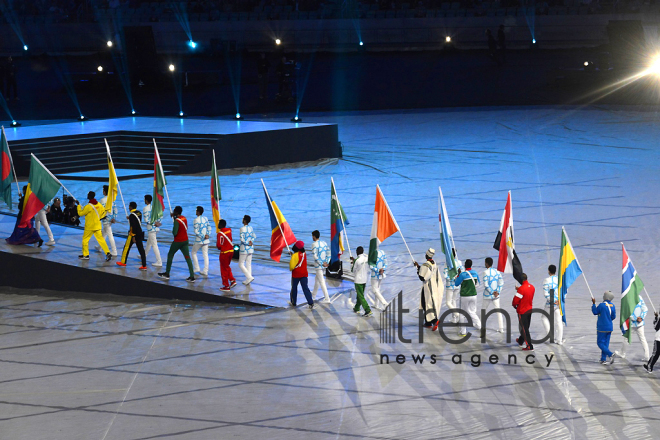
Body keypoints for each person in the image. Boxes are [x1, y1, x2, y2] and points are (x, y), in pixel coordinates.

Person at [158, 206, 195, 282]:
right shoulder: (184, 218)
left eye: (174, 211)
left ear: (177, 212)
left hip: (178, 241)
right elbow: (184, 226)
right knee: (187, 258)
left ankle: (167, 273)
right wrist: (174, 218)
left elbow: (174, 233)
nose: (173, 212)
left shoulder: (176, 221)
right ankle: (192, 276)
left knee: (170, 254)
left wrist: (174, 223)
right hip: (185, 240)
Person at [414, 248, 444, 330]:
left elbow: (422, 277)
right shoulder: (433, 263)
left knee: (425, 303)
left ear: (427, 255)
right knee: (429, 303)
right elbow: (427, 271)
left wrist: (418, 271)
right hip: (434, 286)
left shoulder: (426, 264)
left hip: (428, 287)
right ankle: (428, 322)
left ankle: (434, 321)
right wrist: (418, 267)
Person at [77, 191, 111, 261]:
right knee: (101, 240)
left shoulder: (88, 206)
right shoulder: (98, 204)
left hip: (89, 227)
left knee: (85, 240)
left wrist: (78, 206)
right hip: (97, 226)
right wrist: (99, 218)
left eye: (88, 194)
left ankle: (86, 255)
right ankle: (108, 253)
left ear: (89, 196)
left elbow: (80, 213)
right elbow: (103, 212)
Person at [615, 297, 650, 362]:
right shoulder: (639, 297)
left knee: (626, 338)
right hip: (640, 323)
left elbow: (628, 313)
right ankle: (647, 356)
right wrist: (641, 318)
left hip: (632, 324)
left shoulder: (629, 298)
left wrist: (636, 318)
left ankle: (622, 353)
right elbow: (645, 309)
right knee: (643, 339)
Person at [454, 259, 481, 336]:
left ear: (465, 265)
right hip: (474, 295)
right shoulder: (475, 273)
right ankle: (480, 326)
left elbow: (456, 284)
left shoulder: (463, 274)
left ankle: (463, 332)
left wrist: (458, 276)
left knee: (462, 313)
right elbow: (478, 284)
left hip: (465, 296)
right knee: (472, 312)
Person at [116, 201, 146, 270]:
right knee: (141, 250)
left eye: (129, 206)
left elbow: (133, 226)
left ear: (131, 207)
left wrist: (133, 236)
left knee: (126, 248)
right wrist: (130, 218)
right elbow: (137, 222)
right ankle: (144, 265)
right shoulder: (139, 213)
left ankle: (123, 262)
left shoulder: (132, 215)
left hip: (133, 234)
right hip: (140, 233)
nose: (128, 207)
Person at [592, 291, 617, 364]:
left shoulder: (601, 305)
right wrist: (608, 320)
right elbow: (613, 316)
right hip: (609, 327)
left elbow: (595, 312)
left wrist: (593, 304)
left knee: (600, 343)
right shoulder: (613, 305)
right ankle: (603, 359)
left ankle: (610, 354)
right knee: (605, 344)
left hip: (602, 327)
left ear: (606, 297)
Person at [289, 240, 315, 309]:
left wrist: (292, 257)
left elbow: (291, 267)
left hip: (296, 275)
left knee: (294, 288)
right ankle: (310, 302)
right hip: (304, 274)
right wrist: (293, 255)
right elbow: (299, 258)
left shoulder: (295, 255)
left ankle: (293, 302)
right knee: (305, 288)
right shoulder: (304, 253)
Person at [513, 273, 535, 351]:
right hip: (529, 309)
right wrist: (520, 289)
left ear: (521, 280)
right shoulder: (532, 287)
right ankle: (520, 340)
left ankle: (529, 346)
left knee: (524, 328)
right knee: (525, 326)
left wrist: (514, 305)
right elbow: (526, 293)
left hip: (522, 311)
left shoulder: (521, 289)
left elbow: (515, 301)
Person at [482, 257, 504, 333]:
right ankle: (501, 328)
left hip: (488, 295)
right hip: (496, 296)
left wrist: (492, 292)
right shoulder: (497, 271)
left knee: (483, 310)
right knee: (498, 311)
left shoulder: (485, 272)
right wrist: (497, 292)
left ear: (486, 263)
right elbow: (501, 282)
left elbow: (486, 285)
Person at [541, 265, 562, 344]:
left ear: (548, 271)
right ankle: (559, 340)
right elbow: (564, 291)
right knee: (559, 321)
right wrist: (560, 300)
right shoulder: (559, 279)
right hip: (558, 303)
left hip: (550, 303)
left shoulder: (546, 280)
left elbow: (545, 293)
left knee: (544, 317)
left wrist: (552, 300)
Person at [350, 246, 372, 317]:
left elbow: (353, 270)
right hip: (364, 279)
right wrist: (354, 261)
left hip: (358, 280)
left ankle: (367, 310)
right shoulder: (366, 258)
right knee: (360, 295)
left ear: (357, 252)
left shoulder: (357, 260)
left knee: (360, 296)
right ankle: (357, 308)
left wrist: (352, 263)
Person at [311, 230, 331, 303]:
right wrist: (327, 262)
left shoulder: (314, 244)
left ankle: (327, 298)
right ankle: (313, 296)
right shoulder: (324, 243)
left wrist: (322, 263)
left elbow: (315, 256)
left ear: (314, 236)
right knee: (317, 281)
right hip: (323, 266)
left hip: (319, 266)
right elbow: (329, 253)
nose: (312, 237)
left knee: (322, 282)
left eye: (312, 236)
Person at [98, 185, 118, 257]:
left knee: (110, 235)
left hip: (105, 219)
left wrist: (99, 219)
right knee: (104, 233)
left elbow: (101, 211)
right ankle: (100, 247)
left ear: (104, 191)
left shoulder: (102, 200)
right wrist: (114, 218)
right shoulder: (112, 199)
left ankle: (114, 251)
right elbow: (115, 210)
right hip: (111, 220)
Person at [143, 195, 162, 267]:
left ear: (146, 200)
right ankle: (144, 255)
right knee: (149, 242)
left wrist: (153, 223)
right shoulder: (155, 207)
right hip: (156, 228)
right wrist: (158, 222)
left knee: (154, 245)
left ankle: (159, 261)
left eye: (144, 199)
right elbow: (160, 216)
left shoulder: (145, 208)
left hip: (151, 229)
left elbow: (146, 220)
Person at [217, 219, 236, 291]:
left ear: (221, 225)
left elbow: (219, 245)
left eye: (219, 224)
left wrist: (220, 247)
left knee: (223, 269)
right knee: (227, 267)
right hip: (231, 251)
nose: (218, 225)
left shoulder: (220, 234)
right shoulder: (229, 231)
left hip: (224, 253)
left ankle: (226, 286)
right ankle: (232, 280)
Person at [191, 206, 210, 277]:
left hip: (199, 240)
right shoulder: (206, 218)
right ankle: (205, 270)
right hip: (206, 240)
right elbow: (209, 228)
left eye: (196, 210)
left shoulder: (196, 220)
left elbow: (196, 231)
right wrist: (207, 235)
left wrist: (202, 236)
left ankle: (197, 268)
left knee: (193, 252)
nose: (195, 212)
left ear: (198, 212)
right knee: (205, 255)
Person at [444, 258, 464, 324]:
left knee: (448, 302)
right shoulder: (459, 262)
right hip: (457, 285)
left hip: (450, 285)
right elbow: (462, 272)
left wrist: (452, 278)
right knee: (454, 300)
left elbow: (445, 275)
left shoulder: (447, 263)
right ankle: (454, 318)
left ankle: (457, 315)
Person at [239, 215, 256, 285]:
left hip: (244, 249)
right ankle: (248, 279)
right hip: (251, 248)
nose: (242, 220)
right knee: (248, 263)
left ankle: (249, 277)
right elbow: (254, 236)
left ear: (245, 220)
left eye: (243, 219)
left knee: (241, 264)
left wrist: (247, 243)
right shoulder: (251, 228)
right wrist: (251, 241)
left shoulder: (242, 228)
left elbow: (242, 239)